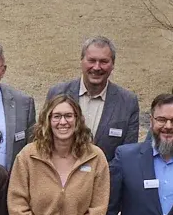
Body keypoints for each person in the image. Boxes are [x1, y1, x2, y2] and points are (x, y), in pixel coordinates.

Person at [46, 36, 142, 176]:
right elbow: (46, 139)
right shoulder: (57, 93)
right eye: (91, 60)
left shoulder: (128, 102)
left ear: (113, 64)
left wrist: (98, 177)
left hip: (106, 181)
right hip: (60, 180)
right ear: (81, 61)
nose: (97, 67)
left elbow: (126, 154)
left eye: (104, 61)